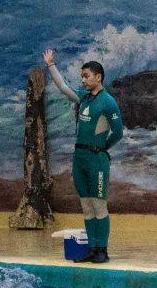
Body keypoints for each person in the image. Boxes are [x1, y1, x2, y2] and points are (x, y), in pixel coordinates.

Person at [43, 48, 124, 263]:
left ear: (98, 77)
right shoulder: (84, 99)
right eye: (82, 76)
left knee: (99, 205)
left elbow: (118, 132)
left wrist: (102, 147)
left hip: (96, 159)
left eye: (86, 76)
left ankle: (102, 249)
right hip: (79, 159)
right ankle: (91, 247)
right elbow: (62, 87)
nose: (83, 80)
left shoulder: (108, 102)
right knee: (86, 206)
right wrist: (51, 65)